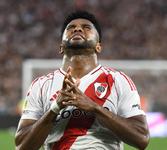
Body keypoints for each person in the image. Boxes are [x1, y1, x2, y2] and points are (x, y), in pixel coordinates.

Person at [15, 10, 150, 150]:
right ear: (61, 48)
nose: (77, 29)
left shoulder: (119, 81)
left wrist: (93, 107)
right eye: (70, 28)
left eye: (86, 28)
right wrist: (55, 108)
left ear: (99, 46)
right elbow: (21, 146)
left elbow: (141, 139)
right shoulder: (41, 85)